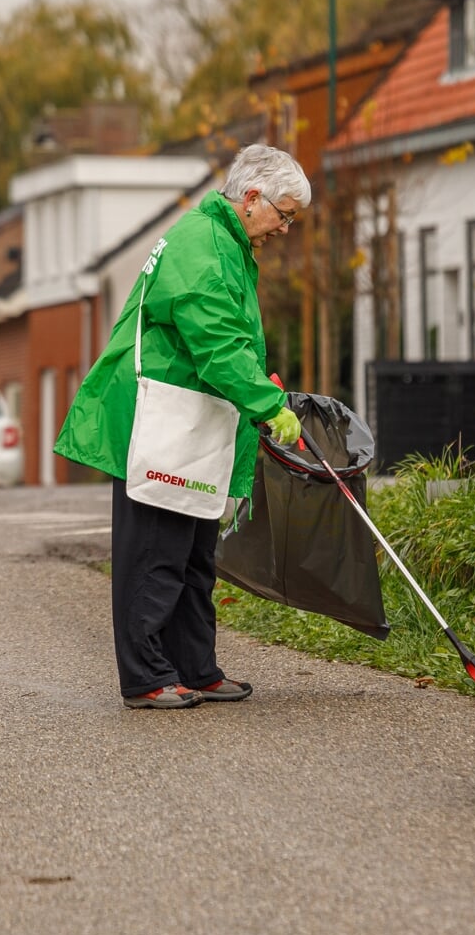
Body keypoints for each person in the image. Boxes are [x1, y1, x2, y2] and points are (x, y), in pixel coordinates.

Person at [55, 145, 310, 709]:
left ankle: (195, 666)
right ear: (251, 199)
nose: (286, 228)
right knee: (155, 551)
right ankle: (146, 676)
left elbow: (226, 340)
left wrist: (257, 386)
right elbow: (217, 344)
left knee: (194, 549)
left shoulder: (224, 241)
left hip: (183, 419)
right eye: (284, 213)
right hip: (158, 418)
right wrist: (266, 403)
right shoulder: (203, 244)